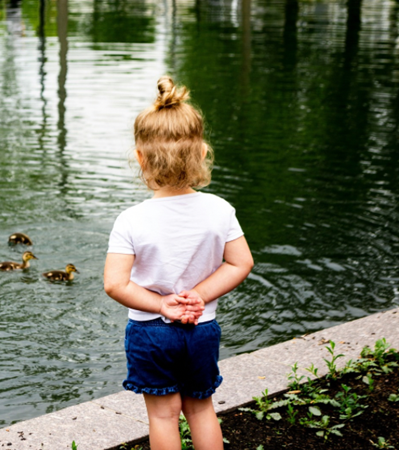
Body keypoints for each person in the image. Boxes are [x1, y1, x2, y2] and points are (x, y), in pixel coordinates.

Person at [103, 76, 254, 450]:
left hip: (151, 331)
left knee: (163, 415)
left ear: (140, 157)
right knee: (201, 410)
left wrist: (161, 303)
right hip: (201, 328)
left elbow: (115, 284)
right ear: (202, 153)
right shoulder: (220, 209)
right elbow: (240, 263)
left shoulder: (131, 219)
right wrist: (197, 296)